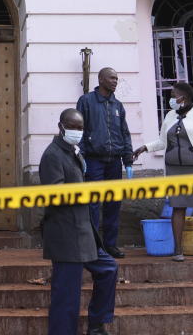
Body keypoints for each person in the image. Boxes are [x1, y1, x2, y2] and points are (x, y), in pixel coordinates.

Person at [40, 108, 118, 335]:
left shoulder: (73, 151)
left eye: (80, 128)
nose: (77, 131)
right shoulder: (52, 155)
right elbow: (54, 195)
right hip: (65, 234)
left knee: (108, 269)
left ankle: (96, 324)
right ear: (61, 126)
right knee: (67, 296)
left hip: (84, 232)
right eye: (72, 127)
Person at [132, 81, 193, 262]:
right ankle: (177, 250)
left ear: (184, 97)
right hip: (175, 170)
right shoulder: (170, 116)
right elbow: (162, 142)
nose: (171, 99)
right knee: (178, 208)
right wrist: (144, 147)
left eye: (173, 96)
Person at [76, 67, 134, 258]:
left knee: (113, 204)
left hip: (114, 163)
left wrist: (128, 160)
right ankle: (93, 246)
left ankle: (110, 245)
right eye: (111, 78)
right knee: (92, 205)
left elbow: (124, 133)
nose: (115, 81)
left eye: (117, 78)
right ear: (101, 79)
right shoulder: (86, 101)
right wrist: (81, 157)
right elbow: (79, 131)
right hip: (94, 161)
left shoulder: (118, 105)